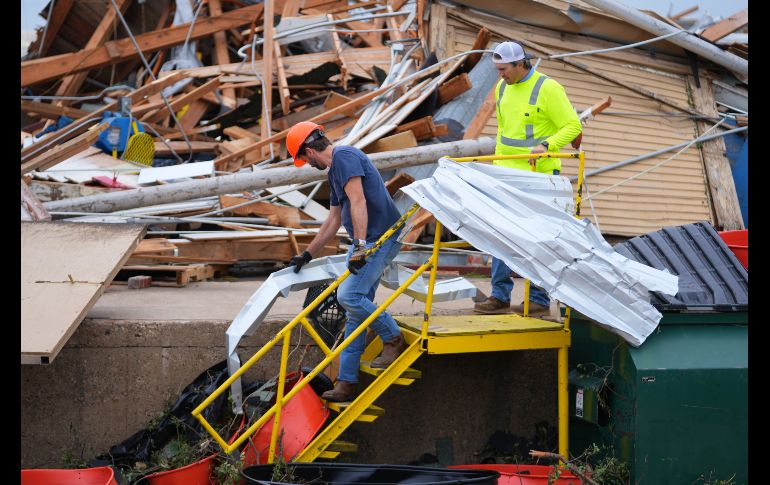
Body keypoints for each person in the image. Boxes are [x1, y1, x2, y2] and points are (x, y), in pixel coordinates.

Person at [285, 121, 407, 402]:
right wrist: (308, 254)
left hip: (380, 238)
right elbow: (333, 220)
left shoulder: (346, 157)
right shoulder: (335, 171)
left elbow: (359, 201)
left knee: (349, 295)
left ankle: (392, 337)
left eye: (302, 158)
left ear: (308, 150)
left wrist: (361, 247)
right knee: (356, 312)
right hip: (367, 240)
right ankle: (347, 382)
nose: (305, 163)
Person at [473, 41, 582, 316]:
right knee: (499, 232)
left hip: (540, 175)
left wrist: (547, 146)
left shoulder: (548, 88)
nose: (500, 75)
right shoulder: (502, 88)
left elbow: (573, 126)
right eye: (497, 69)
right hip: (508, 173)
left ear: (521, 64)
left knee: (536, 238)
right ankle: (499, 295)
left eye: (504, 69)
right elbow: (503, 133)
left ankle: (538, 299)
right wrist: (495, 167)